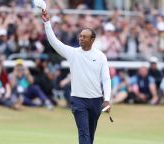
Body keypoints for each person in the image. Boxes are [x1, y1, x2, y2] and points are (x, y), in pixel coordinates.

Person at [41, 10, 111, 144]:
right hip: (78, 100)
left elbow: (106, 79)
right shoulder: (73, 53)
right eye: (80, 36)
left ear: (92, 40)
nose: (81, 38)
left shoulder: (101, 56)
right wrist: (47, 23)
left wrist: (107, 99)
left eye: (85, 37)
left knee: (90, 135)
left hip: (96, 100)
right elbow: (54, 41)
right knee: (84, 133)